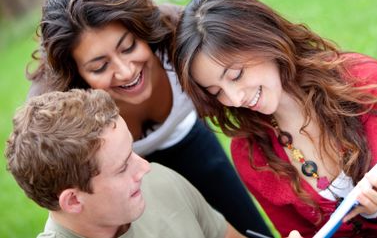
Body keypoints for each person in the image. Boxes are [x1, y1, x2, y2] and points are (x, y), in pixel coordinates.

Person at [173, 0, 377, 238]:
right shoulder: (250, 154)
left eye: (235, 75)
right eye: (216, 91)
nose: (234, 99)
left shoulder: (361, 80)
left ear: (263, 40)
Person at [27, 0, 270, 236]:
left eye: (129, 47)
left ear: (141, 31)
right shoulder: (56, 102)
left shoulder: (177, 30)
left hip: (190, 140)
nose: (126, 71)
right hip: (121, 173)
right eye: (99, 67)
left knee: (247, 228)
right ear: (77, 75)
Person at [5, 89, 244, 238]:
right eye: (122, 167)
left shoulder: (159, 183)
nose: (145, 168)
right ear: (74, 200)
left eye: (132, 151)